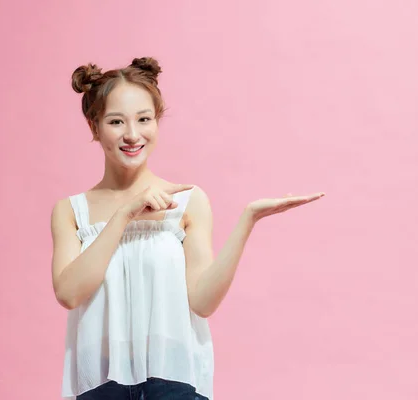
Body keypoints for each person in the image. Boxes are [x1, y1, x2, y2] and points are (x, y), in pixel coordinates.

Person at [50, 56, 325, 399]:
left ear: (157, 122)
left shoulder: (187, 201)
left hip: (174, 379)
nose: (132, 134)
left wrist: (248, 219)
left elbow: (203, 302)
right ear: (94, 127)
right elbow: (69, 293)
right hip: (101, 383)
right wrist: (124, 215)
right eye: (116, 121)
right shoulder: (70, 210)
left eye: (144, 119)